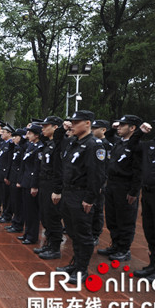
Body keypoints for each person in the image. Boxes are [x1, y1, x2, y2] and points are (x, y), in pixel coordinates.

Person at [52, 110, 106, 284]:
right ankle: (75, 264)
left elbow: (96, 175)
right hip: (69, 193)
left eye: (77, 122)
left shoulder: (94, 145)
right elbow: (58, 140)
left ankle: (82, 269)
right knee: (73, 232)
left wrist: (90, 199)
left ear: (88, 123)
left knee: (83, 233)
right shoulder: (74, 142)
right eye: (72, 122)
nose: (73, 125)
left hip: (82, 194)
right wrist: (62, 127)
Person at [98, 115, 142, 262]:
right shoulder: (119, 143)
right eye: (119, 125)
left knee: (125, 219)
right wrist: (113, 127)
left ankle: (124, 249)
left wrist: (134, 191)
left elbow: (138, 171)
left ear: (132, 128)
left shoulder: (136, 146)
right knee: (112, 218)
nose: (120, 128)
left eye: (123, 125)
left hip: (125, 186)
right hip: (112, 185)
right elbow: (108, 135)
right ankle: (115, 245)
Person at [132, 112, 155, 282]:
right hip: (148, 195)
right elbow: (132, 147)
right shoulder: (154, 144)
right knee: (150, 232)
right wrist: (139, 132)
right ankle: (154, 265)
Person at [35, 116, 65, 260]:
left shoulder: (59, 144)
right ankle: (48, 244)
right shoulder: (49, 143)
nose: (42, 129)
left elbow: (59, 170)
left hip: (52, 184)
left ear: (55, 127)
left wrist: (57, 190)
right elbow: (40, 135)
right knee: (45, 216)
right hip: (44, 183)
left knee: (53, 217)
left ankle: (55, 248)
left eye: (46, 126)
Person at [17, 123, 43, 245]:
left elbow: (36, 169)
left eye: (30, 133)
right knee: (26, 209)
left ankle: (32, 236)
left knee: (32, 211)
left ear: (37, 135)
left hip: (32, 182)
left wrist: (34, 185)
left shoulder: (39, 147)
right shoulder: (30, 146)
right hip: (26, 181)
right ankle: (27, 232)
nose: (28, 135)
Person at [90, 119, 113, 246]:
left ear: (103, 130)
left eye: (95, 128)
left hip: (99, 182)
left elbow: (106, 167)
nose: (92, 130)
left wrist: (100, 184)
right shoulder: (91, 143)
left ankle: (95, 234)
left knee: (97, 208)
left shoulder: (106, 145)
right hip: (90, 181)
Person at [5, 128, 27, 234]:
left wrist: (19, 180)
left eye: (16, 136)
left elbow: (22, 166)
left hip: (18, 179)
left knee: (18, 203)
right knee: (14, 202)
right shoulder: (16, 147)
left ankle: (18, 224)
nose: (13, 138)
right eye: (13, 136)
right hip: (13, 178)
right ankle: (15, 222)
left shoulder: (23, 148)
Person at [0, 123, 15, 223]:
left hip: (5, 173)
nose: (1, 134)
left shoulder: (11, 145)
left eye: (3, 132)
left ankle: (7, 215)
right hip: (0, 172)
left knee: (7, 196)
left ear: (9, 134)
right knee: (2, 195)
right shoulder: (3, 143)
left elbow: (9, 161)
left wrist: (7, 174)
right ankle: (4, 213)